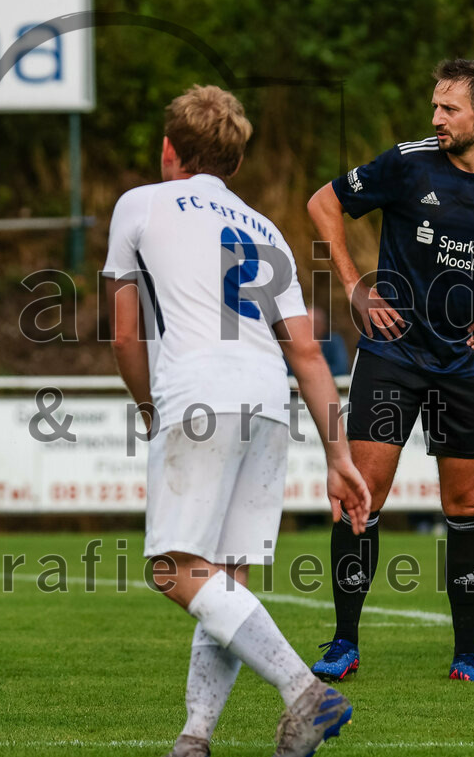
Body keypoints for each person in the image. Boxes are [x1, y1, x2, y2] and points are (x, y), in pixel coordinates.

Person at [103, 85, 371, 757]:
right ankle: (195, 737)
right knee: (226, 575)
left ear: (169, 149)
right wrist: (339, 457)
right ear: (236, 161)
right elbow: (306, 351)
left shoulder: (140, 204)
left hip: (199, 392)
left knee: (174, 569)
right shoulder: (264, 226)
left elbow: (124, 336)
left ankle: (304, 691)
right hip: (268, 399)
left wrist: (146, 404)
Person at [306, 59, 474, 684]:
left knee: (467, 504)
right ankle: (343, 643)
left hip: (466, 363)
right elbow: (324, 203)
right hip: (392, 353)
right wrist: (354, 288)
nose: (436, 119)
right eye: (434, 106)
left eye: (448, 109)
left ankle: (467, 654)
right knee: (359, 498)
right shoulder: (407, 162)